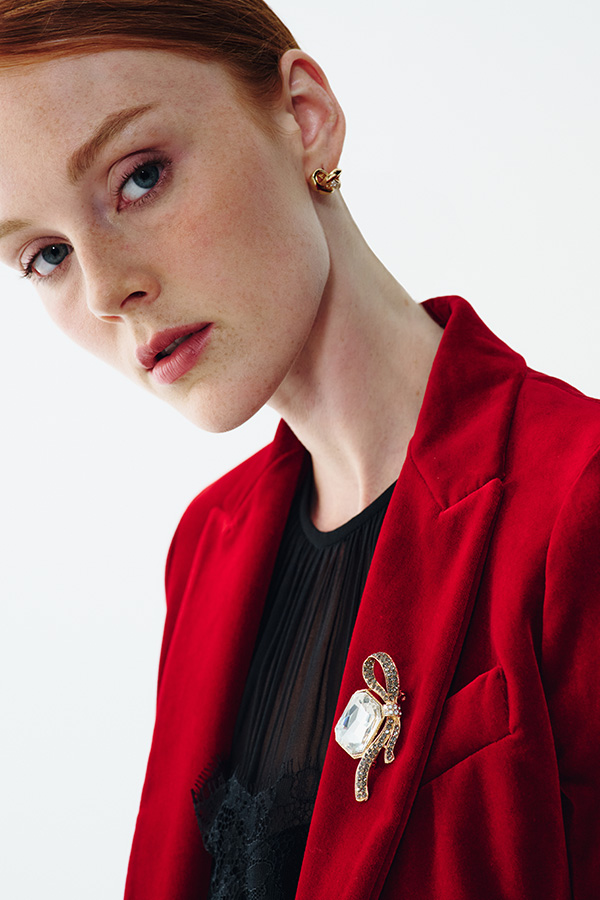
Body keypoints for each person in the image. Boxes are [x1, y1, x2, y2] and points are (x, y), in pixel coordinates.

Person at [0, 1, 598, 898]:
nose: (106, 292)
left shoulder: (577, 497)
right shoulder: (206, 546)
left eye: (140, 177)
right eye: (47, 256)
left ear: (304, 117)